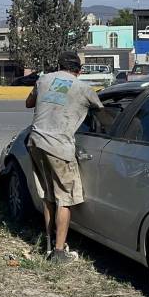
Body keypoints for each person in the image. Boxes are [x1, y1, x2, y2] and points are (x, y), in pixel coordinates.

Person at [25, 51, 103, 263]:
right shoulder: (83, 88)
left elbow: (28, 103)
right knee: (64, 200)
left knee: (49, 197)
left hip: (36, 143)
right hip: (59, 148)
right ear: (79, 70)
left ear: (58, 66)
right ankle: (60, 253)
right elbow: (103, 112)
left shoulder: (44, 80)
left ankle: (50, 246)